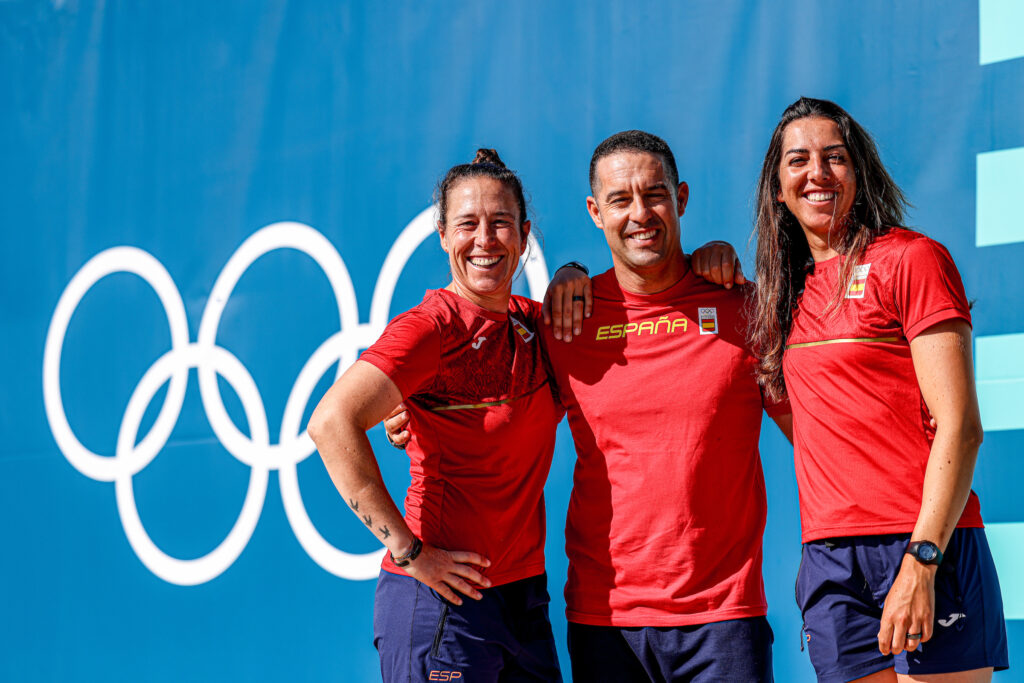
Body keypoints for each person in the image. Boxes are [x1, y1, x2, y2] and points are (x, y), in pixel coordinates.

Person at [388, 130, 792, 682]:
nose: (640, 213)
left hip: (724, 619)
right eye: (620, 200)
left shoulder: (742, 307)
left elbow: (815, 423)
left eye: (654, 194)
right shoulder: (563, 321)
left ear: (683, 199)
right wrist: (414, 407)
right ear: (595, 212)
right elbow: (484, 399)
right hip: (606, 623)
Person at [749, 97, 1009, 682]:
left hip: (923, 544)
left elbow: (962, 427)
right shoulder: (778, 298)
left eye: (834, 157)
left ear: (859, 173)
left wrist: (922, 561)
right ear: (777, 190)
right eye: (798, 161)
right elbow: (815, 430)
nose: (817, 173)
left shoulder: (912, 259)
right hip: (830, 559)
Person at [307, 149, 564, 682]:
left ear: (525, 234)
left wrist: (576, 275)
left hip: (524, 601)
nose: (485, 239)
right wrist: (409, 551)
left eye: (501, 223)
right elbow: (331, 422)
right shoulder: (432, 328)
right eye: (468, 224)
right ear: (444, 235)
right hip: (442, 602)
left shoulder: (539, 327)